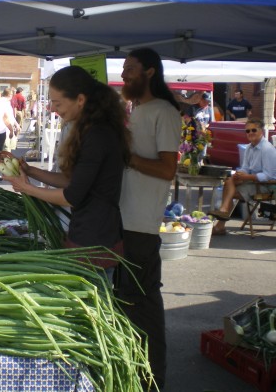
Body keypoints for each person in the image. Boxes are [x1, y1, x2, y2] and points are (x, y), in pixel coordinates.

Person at [2, 66, 131, 269]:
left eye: (57, 103)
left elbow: (72, 195)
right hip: (90, 232)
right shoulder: (92, 130)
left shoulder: (97, 136)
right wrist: (30, 170)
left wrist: (27, 188)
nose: (53, 109)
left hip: (95, 239)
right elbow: (73, 180)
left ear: (80, 100)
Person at [116, 47, 181, 391]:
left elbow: (168, 169)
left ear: (150, 72)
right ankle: (133, 377)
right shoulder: (135, 108)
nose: (124, 75)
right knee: (127, 305)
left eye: (130, 69)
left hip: (141, 226)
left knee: (143, 310)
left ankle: (153, 381)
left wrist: (129, 158)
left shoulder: (165, 112)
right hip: (122, 221)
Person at [209, 117, 276, 235]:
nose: (250, 133)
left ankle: (221, 222)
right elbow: (245, 167)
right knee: (229, 179)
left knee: (230, 193)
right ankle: (222, 215)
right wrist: (239, 174)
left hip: (266, 186)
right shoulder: (249, 147)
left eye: (253, 130)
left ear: (261, 131)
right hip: (252, 181)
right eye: (247, 131)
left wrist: (247, 177)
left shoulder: (267, 149)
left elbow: (268, 176)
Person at [0, 88, 20, 153]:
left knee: (8, 146)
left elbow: (11, 115)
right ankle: (6, 161)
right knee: (6, 147)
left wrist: (16, 124)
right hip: (4, 128)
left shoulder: (7, 102)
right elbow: (5, 116)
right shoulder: (2, 102)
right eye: (12, 94)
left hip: (9, 127)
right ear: (9, 94)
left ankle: (7, 160)